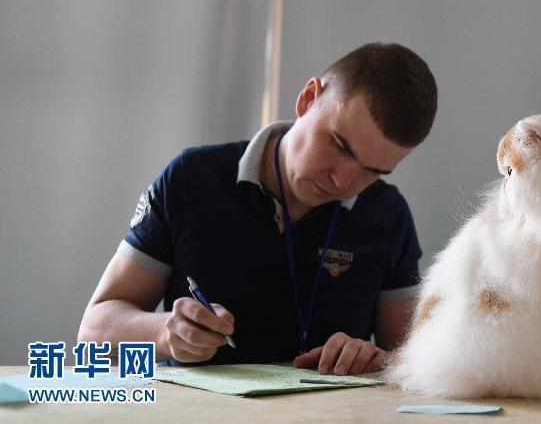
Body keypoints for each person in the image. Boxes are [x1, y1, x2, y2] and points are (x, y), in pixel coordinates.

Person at [78, 42, 438, 376]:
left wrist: (378, 359)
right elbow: (93, 331)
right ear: (308, 99)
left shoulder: (387, 215)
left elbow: (414, 359)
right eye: (340, 146)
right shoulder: (192, 179)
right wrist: (163, 333)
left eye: (372, 171)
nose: (342, 180)